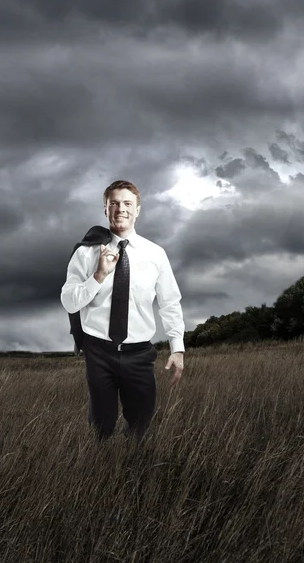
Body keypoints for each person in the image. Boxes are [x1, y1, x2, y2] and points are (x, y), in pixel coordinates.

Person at [61, 180, 185, 442]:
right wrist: (98, 275)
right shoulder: (85, 253)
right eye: (114, 203)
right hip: (99, 351)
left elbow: (170, 302)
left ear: (138, 209)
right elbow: (70, 302)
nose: (121, 209)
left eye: (128, 203)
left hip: (139, 353)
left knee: (142, 420)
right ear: (105, 209)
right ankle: (103, 473)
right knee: (101, 426)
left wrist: (177, 347)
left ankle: (129, 467)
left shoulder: (156, 254)